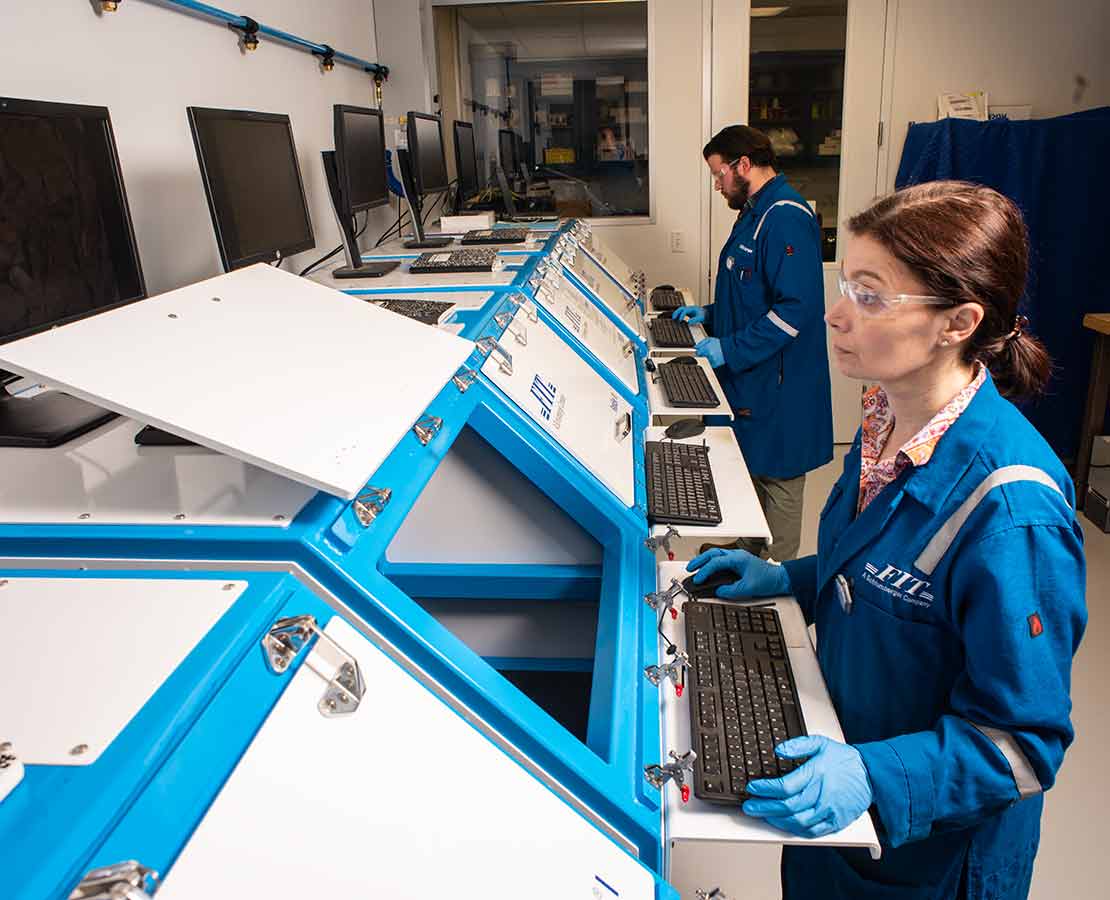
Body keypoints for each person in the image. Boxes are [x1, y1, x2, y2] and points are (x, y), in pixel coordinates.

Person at [685, 181, 1087, 899]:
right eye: (846, 287)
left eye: (870, 296)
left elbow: (1025, 748)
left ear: (956, 322)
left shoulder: (1012, 509)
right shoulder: (881, 422)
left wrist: (872, 774)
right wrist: (789, 580)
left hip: (927, 851)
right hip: (838, 805)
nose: (836, 316)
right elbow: (881, 566)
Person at [674, 125, 831, 561]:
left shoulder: (785, 217)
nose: (717, 184)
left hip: (781, 380)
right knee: (754, 466)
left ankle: (775, 573)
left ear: (743, 165)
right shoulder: (754, 212)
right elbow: (751, 290)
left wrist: (729, 349)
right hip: (754, 374)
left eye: (719, 174)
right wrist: (710, 313)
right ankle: (747, 549)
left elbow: (794, 310)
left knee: (779, 477)